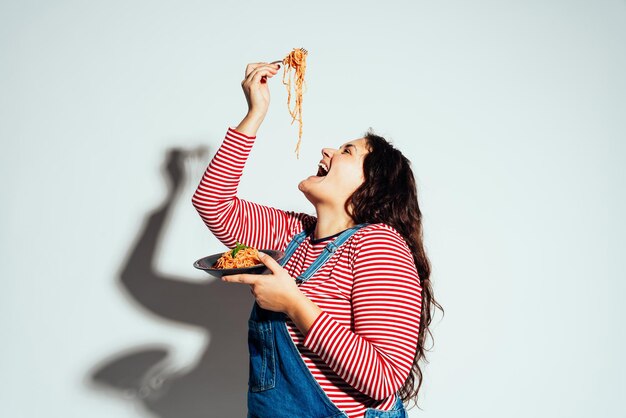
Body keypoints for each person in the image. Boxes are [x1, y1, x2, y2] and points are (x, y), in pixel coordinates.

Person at [192, 62, 441, 418]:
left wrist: (294, 303)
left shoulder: (378, 244)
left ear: (373, 184)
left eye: (347, 151)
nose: (326, 151)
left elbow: (384, 377)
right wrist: (255, 113)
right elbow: (213, 203)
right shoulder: (294, 233)